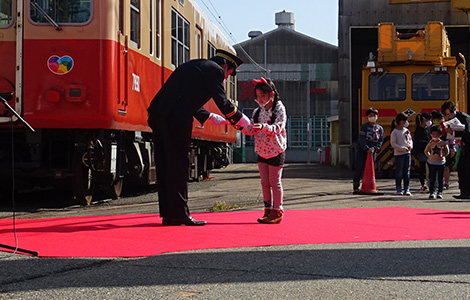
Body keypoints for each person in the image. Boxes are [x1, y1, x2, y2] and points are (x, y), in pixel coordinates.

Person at [147, 49, 251, 226]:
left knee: (166, 164)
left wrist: (209, 116)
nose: (225, 78)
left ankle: (169, 214)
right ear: (225, 66)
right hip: (175, 117)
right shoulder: (215, 70)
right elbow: (222, 100)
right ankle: (180, 214)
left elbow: (185, 96)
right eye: (229, 74)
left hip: (158, 113)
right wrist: (239, 120)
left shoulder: (196, 65)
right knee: (179, 164)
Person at [242, 77, 287, 224]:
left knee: (275, 182)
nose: (260, 99)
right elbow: (251, 129)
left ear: (271, 94)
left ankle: (277, 210)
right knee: (264, 182)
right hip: (261, 151)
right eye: (258, 96)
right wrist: (242, 127)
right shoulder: (257, 112)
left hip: (276, 150)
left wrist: (264, 127)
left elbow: (278, 127)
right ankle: (267, 210)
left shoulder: (279, 109)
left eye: (263, 95)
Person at [441, 101, 470, 199]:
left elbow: (468, 133)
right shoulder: (451, 120)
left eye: (450, 113)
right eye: (447, 115)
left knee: (467, 168)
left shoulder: (464, 118)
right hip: (461, 147)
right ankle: (463, 192)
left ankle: (467, 193)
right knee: (461, 169)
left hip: (468, 146)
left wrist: (455, 132)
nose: (449, 116)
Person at [353, 107, 384, 193]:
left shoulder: (380, 128)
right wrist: (367, 148)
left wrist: (375, 148)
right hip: (362, 151)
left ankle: (369, 185)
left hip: (373, 152)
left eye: (374, 115)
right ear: (367, 117)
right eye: (370, 115)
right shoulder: (364, 126)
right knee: (359, 168)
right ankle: (356, 186)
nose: (372, 117)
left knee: (371, 168)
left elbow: (381, 140)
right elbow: (362, 139)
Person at [391, 113, 413, 195]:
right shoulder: (395, 132)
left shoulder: (406, 131)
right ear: (401, 121)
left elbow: (410, 140)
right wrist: (402, 148)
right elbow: (393, 144)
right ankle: (398, 188)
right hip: (398, 154)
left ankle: (407, 188)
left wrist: (410, 146)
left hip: (407, 153)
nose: (406, 122)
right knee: (399, 171)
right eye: (405, 120)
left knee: (406, 171)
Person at [424, 125, 449, 199]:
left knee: (440, 178)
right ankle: (432, 192)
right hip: (431, 162)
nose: (435, 136)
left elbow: (447, 152)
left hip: (441, 162)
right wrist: (430, 156)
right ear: (431, 135)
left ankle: (440, 192)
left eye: (437, 134)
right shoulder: (430, 143)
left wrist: (443, 155)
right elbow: (426, 151)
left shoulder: (443, 143)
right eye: (433, 134)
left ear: (440, 135)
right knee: (432, 178)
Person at [412, 112, 431, 193]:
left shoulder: (428, 129)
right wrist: (427, 143)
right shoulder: (418, 130)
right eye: (428, 120)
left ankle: (430, 184)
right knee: (422, 168)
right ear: (424, 120)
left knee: (430, 169)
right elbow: (417, 142)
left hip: (429, 152)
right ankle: (423, 185)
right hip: (422, 151)